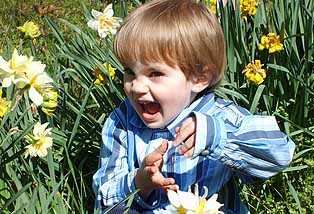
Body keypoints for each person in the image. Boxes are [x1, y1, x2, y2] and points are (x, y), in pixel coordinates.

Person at [92, 0, 295, 213]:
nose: (137, 86)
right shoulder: (122, 123)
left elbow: (280, 156)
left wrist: (217, 138)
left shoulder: (219, 117)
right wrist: (140, 181)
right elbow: (105, 202)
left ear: (199, 77)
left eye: (155, 74)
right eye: (130, 72)